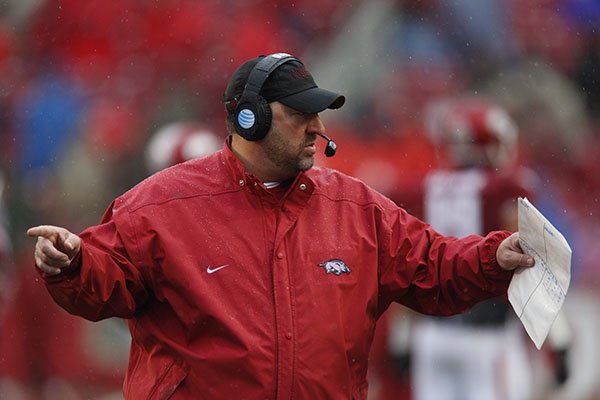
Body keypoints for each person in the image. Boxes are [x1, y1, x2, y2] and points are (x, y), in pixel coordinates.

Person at [27, 52, 534, 399]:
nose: (318, 128)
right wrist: (71, 264)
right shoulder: (161, 205)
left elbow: (434, 266)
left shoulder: (355, 207)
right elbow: (103, 283)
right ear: (250, 119)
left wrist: (493, 257)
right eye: (301, 115)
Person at [379, 95, 570, 400]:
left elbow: (408, 262)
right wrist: (559, 338)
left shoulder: (426, 187)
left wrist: (401, 340)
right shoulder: (507, 186)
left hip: (433, 336)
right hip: (486, 337)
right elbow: (533, 262)